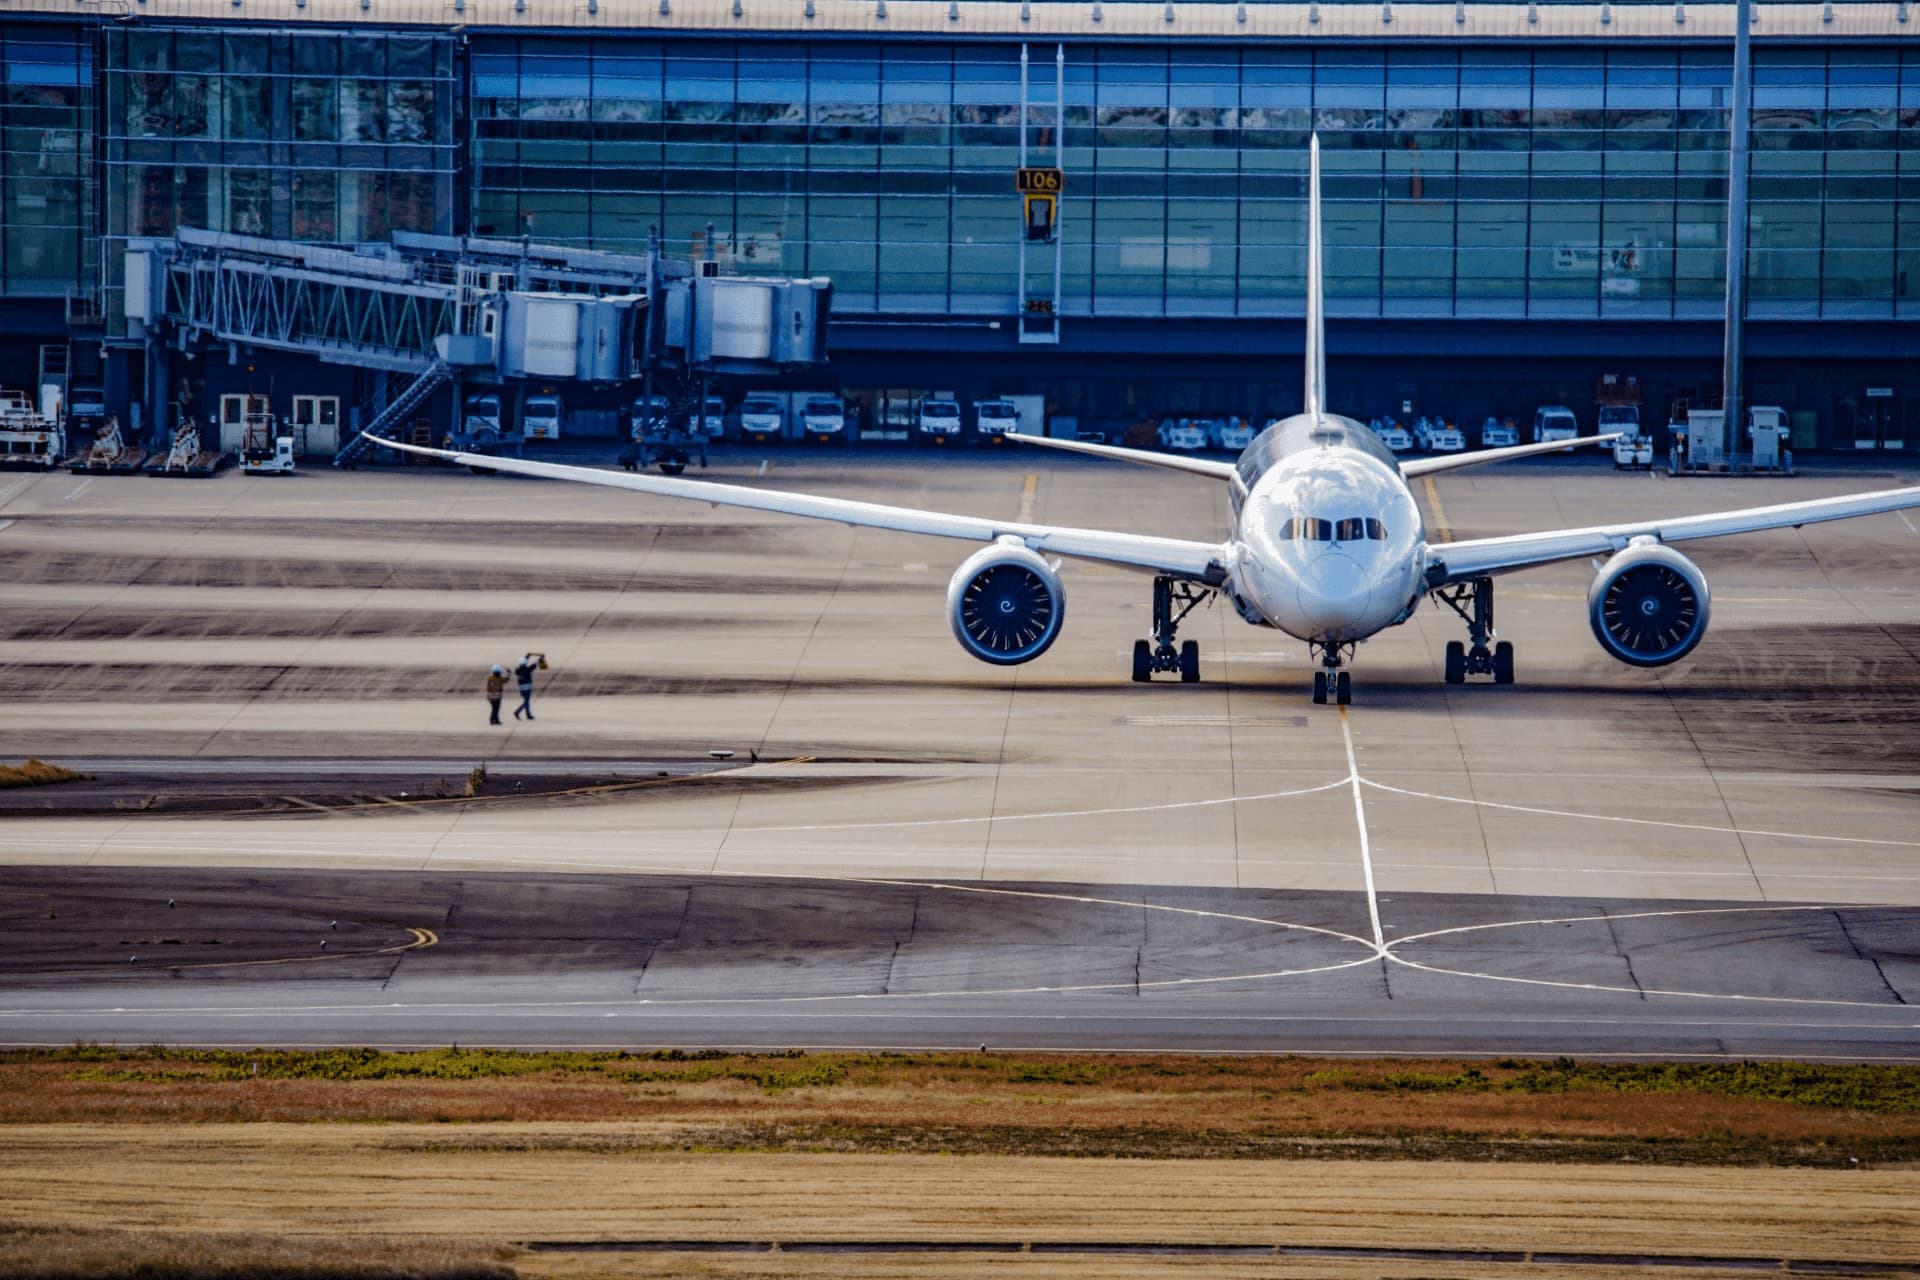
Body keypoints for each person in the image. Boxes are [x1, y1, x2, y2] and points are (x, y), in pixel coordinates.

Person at [513, 652, 547, 721]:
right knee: (526, 701)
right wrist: (540, 658)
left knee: (526, 701)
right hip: (527, 688)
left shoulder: (517, 671)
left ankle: (528, 714)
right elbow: (535, 664)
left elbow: (524, 663)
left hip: (521, 689)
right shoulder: (527, 669)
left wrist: (527, 657)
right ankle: (518, 712)